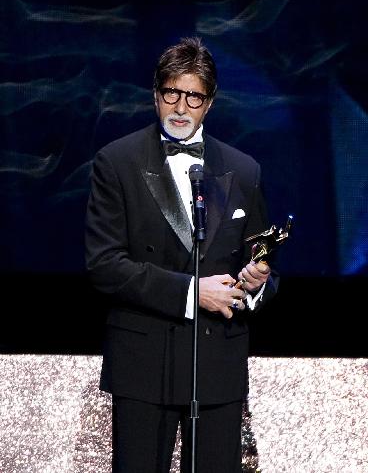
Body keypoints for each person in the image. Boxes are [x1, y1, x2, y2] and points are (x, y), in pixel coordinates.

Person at [85, 37, 278, 473]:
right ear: (155, 95)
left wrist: (254, 284)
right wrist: (193, 293)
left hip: (217, 367)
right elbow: (105, 264)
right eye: (172, 92)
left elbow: (263, 262)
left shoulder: (244, 170)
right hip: (144, 363)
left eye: (193, 96)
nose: (181, 106)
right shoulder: (117, 162)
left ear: (209, 103)